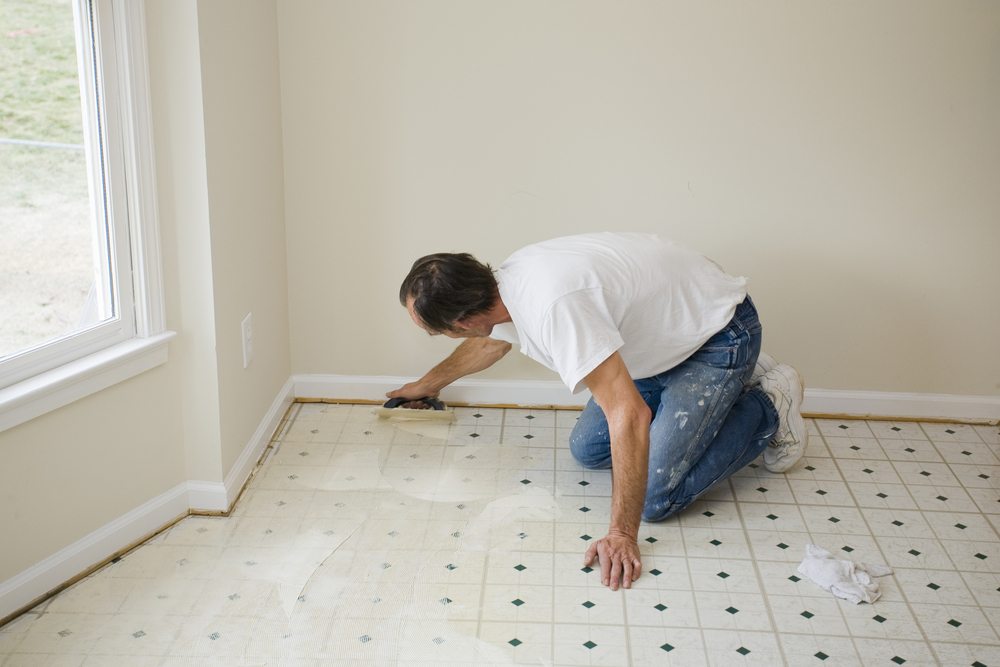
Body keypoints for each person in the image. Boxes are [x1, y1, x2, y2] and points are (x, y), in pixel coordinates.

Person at [388, 232, 807, 591]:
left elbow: (629, 414)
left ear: (463, 322)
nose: (437, 336)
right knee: (588, 450)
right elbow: (490, 342)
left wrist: (622, 533)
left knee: (656, 498)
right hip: (658, 344)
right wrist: (425, 386)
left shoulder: (553, 307)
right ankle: (711, 396)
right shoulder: (501, 290)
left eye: (435, 331)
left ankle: (769, 402)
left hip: (717, 336)